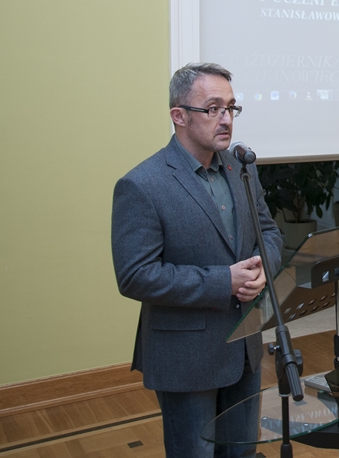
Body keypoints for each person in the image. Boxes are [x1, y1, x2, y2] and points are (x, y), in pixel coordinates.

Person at [111, 62, 284, 457]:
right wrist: (225, 281)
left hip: (244, 346)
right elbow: (136, 275)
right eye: (213, 109)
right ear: (179, 116)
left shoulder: (241, 168)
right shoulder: (142, 184)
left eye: (231, 108)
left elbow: (270, 234)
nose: (226, 119)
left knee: (242, 451)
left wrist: (262, 270)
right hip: (185, 356)